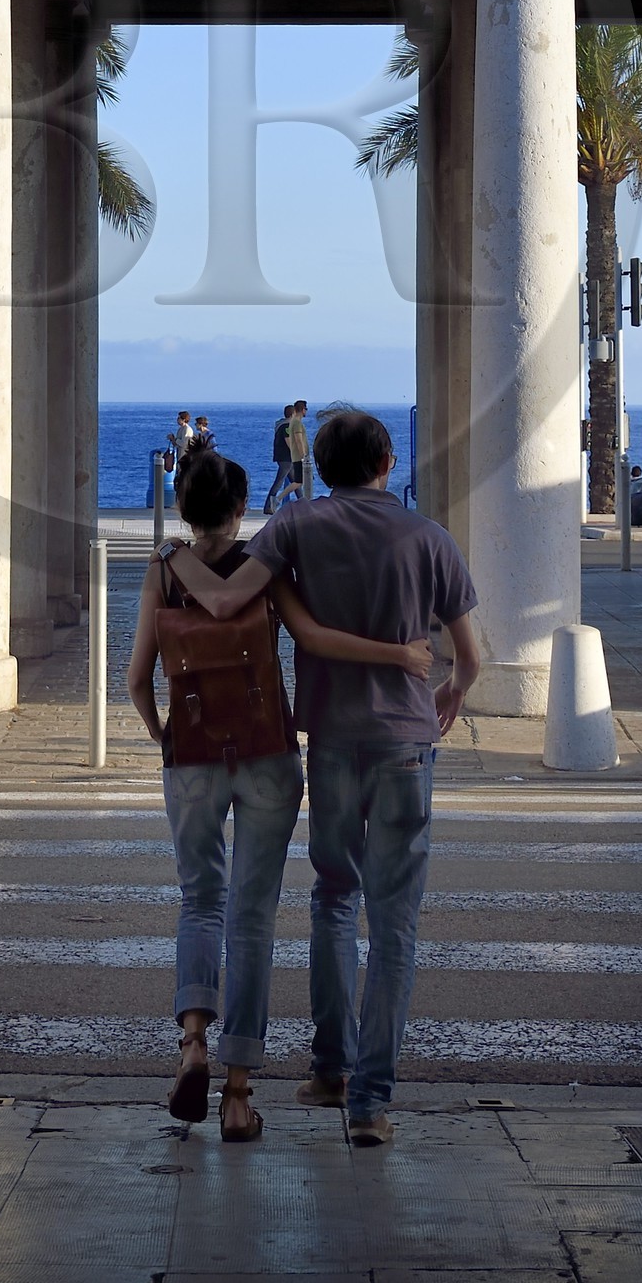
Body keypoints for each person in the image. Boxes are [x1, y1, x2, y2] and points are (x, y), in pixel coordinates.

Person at [165, 410, 479, 1147]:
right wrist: (450, 693)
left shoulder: (295, 524)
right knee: (395, 925)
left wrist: (170, 557)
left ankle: (329, 1068)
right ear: (389, 460)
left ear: (321, 463)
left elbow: (225, 597)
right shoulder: (429, 538)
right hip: (408, 745)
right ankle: (369, 1104)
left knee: (334, 899)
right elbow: (470, 654)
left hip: (333, 740)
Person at [264, 406, 295, 514]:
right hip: (286, 458)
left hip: (284, 457)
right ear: (292, 414)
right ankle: (268, 506)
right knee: (279, 481)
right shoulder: (286, 426)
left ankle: (304, 502)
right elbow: (288, 442)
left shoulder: (281, 424)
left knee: (295, 482)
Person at [285, 399, 310, 501]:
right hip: (299, 457)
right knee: (299, 482)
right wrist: (304, 456)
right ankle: (278, 498)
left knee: (300, 481)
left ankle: (304, 500)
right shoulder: (297, 423)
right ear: (303, 409)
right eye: (306, 409)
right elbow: (299, 441)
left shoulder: (295, 422)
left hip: (297, 456)